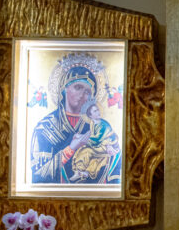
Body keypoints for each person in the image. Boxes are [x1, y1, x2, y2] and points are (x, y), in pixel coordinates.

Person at [30, 56, 120, 184]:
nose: (83, 94)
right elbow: (38, 174)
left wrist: (110, 149)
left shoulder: (98, 124)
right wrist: (70, 149)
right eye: (78, 87)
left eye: (87, 92)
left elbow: (117, 160)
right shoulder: (45, 128)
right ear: (64, 89)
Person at [70, 103, 121, 183]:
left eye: (98, 110)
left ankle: (81, 170)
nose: (98, 112)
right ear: (90, 116)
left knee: (86, 151)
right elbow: (91, 135)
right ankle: (79, 172)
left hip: (105, 145)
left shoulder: (103, 125)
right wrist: (80, 136)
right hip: (98, 144)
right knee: (82, 150)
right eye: (95, 111)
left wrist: (82, 140)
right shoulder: (93, 123)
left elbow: (96, 139)